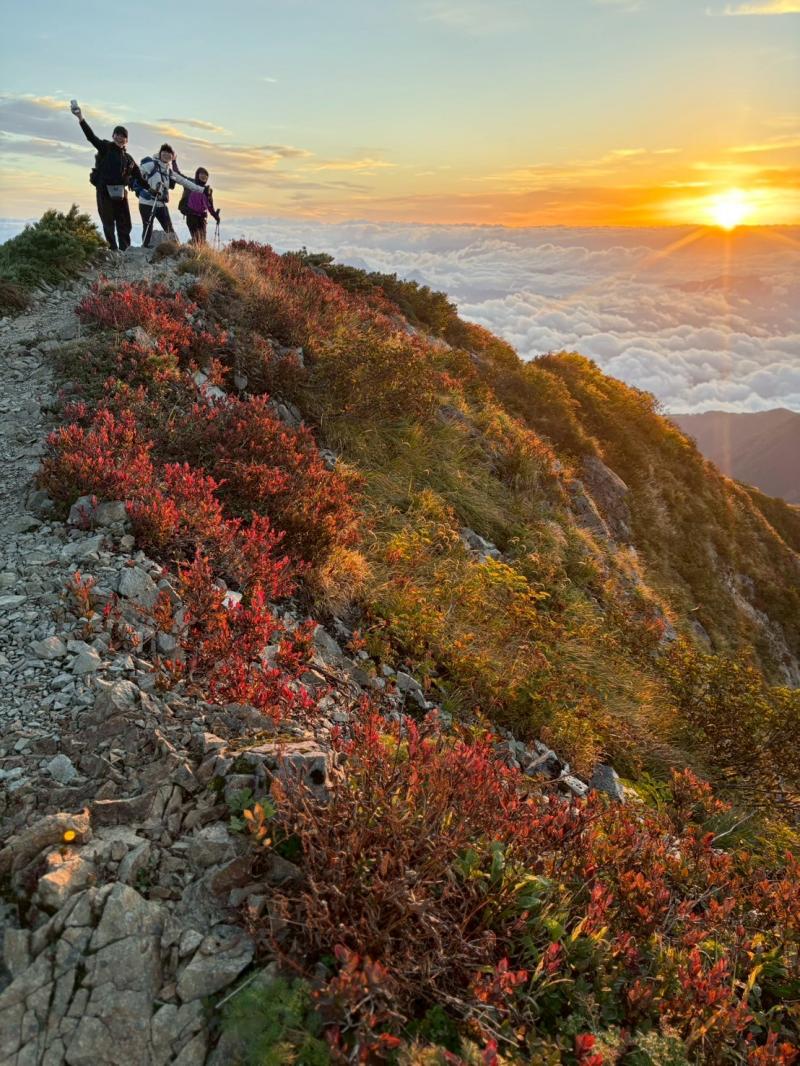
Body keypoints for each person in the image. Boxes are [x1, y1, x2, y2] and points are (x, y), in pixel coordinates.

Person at [71, 104, 144, 251]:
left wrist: (152, 190)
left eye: (123, 136)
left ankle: (125, 250)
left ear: (126, 140)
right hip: (104, 191)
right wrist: (80, 118)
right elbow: (91, 137)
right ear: (113, 136)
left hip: (121, 193)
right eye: (117, 134)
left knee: (125, 223)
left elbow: (139, 177)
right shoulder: (105, 147)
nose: (120, 137)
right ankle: (113, 250)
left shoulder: (128, 158)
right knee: (108, 222)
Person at [136, 145, 205, 247]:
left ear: (172, 157)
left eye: (169, 153)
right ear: (160, 153)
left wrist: (202, 190)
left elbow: (184, 181)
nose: (166, 154)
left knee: (169, 228)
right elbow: (136, 173)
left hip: (161, 203)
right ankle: (145, 248)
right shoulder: (151, 165)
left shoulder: (169, 171)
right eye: (164, 152)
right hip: (146, 202)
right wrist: (145, 188)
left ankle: (175, 248)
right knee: (147, 227)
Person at [178, 168, 221, 245]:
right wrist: (173, 162)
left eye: (206, 176)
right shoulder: (190, 184)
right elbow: (179, 175)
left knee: (202, 241)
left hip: (202, 218)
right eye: (202, 174)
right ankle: (194, 251)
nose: (204, 176)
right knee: (197, 239)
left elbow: (210, 206)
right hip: (191, 216)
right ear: (197, 175)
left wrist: (215, 216)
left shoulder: (208, 190)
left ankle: (197, 252)